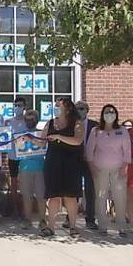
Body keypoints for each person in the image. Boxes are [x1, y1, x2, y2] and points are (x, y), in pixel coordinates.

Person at [40, 97, 86, 237]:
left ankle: (72, 227)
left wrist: (59, 136)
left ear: (67, 108)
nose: (55, 108)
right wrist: (29, 139)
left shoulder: (77, 123)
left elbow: (77, 141)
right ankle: (51, 227)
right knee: (53, 196)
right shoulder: (50, 123)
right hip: (53, 163)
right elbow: (42, 142)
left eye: (58, 105)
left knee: (70, 197)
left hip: (71, 164)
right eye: (55, 105)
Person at [85, 104, 131, 237]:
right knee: (100, 197)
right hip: (100, 169)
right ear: (102, 115)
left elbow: (127, 150)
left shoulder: (122, 130)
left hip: (119, 169)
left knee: (120, 197)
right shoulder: (95, 131)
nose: (109, 114)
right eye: (106, 112)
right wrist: (92, 167)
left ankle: (122, 227)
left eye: (112, 112)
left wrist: (124, 167)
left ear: (116, 114)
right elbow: (89, 151)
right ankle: (102, 226)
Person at [68, 100, 98, 230]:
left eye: (82, 108)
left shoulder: (95, 126)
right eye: (77, 108)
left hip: (90, 161)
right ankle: (70, 218)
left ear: (87, 110)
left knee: (91, 191)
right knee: (73, 190)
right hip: (75, 160)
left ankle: (90, 219)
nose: (80, 111)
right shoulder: (70, 125)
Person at [15, 110, 47, 230]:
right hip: (24, 168)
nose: (30, 121)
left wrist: (32, 140)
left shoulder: (41, 134)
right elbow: (17, 150)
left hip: (40, 167)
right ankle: (27, 219)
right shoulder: (20, 135)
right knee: (26, 196)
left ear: (37, 120)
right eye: (27, 119)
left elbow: (43, 145)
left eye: (32, 119)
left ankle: (42, 220)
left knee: (41, 196)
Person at [6, 97, 28, 220]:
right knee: (14, 182)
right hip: (12, 156)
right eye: (15, 105)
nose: (17, 108)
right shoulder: (8, 122)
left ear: (24, 107)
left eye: (20, 105)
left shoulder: (27, 121)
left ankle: (25, 209)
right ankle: (15, 208)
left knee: (24, 183)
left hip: (25, 157)